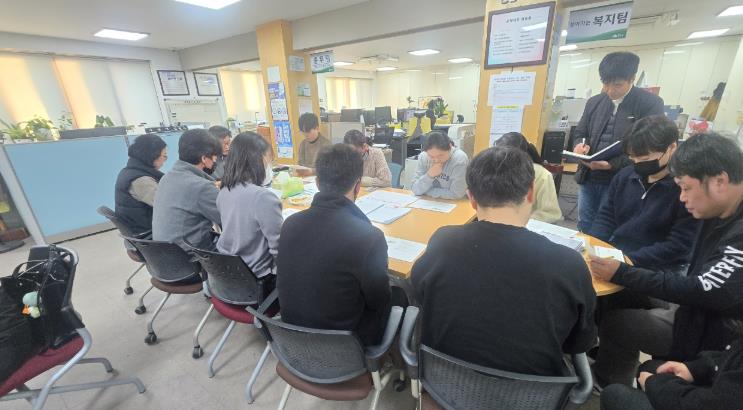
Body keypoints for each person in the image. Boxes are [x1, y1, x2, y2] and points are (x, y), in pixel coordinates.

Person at [411, 146, 596, 376]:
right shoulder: (570, 264)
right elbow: (579, 342)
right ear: (531, 193)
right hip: (533, 392)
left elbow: (419, 293)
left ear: (471, 198)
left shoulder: (443, 242)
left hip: (445, 382)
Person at [590, 133, 743, 388]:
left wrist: (623, 272)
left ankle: (610, 384)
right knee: (616, 296)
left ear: (720, 181)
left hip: (715, 341)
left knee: (618, 323)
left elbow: (703, 288)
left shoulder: (736, 231)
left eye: (685, 188)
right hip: (694, 312)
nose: (682, 197)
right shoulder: (719, 211)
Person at [277, 144, 391, 346]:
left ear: (317, 182)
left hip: (292, 338)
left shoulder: (290, 224)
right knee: (398, 297)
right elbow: (379, 301)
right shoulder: (369, 237)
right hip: (345, 347)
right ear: (358, 186)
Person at [590, 115, 699, 273]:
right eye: (632, 158)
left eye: (644, 158)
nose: (637, 163)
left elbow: (678, 244)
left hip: (661, 267)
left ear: (671, 148)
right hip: (617, 254)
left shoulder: (685, 189)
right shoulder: (625, 176)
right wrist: (592, 245)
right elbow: (606, 216)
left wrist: (627, 260)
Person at [572, 52, 665, 233]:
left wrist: (612, 165)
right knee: (584, 223)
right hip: (589, 176)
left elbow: (649, 147)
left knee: (609, 227)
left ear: (632, 79)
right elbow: (581, 132)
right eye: (605, 83)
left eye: (617, 85)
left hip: (622, 179)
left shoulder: (650, 103)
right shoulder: (594, 102)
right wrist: (579, 145)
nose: (609, 90)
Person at [600, 319, 743, 410]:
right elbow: (732, 354)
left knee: (614, 394)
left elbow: (712, 404)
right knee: (651, 368)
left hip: (714, 401)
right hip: (720, 388)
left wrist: (656, 385)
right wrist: (695, 368)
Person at [216, 132, 281, 285]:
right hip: (257, 278)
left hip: (227, 273)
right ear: (257, 160)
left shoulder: (224, 191)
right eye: (268, 159)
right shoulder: (262, 197)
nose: (269, 165)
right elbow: (279, 249)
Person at [152, 129, 221, 253]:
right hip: (192, 255)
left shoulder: (167, 177)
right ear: (204, 158)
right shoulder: (201, 187)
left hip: (165, 254)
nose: (215, 160)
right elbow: (230, 219)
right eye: (214, 156)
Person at [497, 132, 562, 223]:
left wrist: (517, 221)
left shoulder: (541, 174)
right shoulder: (496, 170)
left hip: (528, 225)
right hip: (499, 223)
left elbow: (551, 214)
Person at [114, 134, 167, 234]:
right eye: (164, 156)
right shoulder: (141, 180)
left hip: (139, 225)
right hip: (147, 232)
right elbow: (167, 205)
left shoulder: (129, 171)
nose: (165, 160)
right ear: (152, 156)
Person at [411, 131, 468, 199]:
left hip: (454, 202)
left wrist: (425, 191)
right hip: (428, 201)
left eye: (440, 155)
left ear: (450, 147)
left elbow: (457, 193)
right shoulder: (423, 156)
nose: (436, 160)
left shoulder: (459, 159)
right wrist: (429, 175)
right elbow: (415, 188)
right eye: (431, 156)